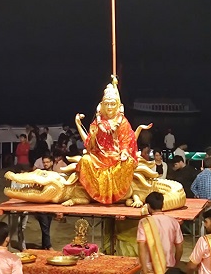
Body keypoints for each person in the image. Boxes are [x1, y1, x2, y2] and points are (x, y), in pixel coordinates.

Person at [75, 76, 138, 204]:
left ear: (117, 105)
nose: (109, 107)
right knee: (85, 160)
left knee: (128, 163)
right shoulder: (98, 122)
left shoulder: (122, 122)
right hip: (100, 157)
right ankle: (98, 193)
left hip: (116, 156)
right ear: (102, 105)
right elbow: (89, 142)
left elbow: (126, 139)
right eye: (107, 104)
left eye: (112, 104)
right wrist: (78, 124)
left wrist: (125, 152)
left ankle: (117, 194)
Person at [137, 192, 184, 274]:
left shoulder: (144, 223)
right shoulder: (173, 222)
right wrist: (175, 265)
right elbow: (179, 248)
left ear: (148, 206)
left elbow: (142, 247)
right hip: (169, 268)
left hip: (150, 269)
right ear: (162, 205)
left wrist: (144, 270)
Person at [34, 154, 55, 250]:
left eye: (47, 162)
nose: (45, 164)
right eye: (44, 162)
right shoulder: (40, 174)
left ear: (52, 162)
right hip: (41, 204)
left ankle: (44, 246)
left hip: (50, 204)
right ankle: (49, 246)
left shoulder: (55, 175)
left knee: (46, 227)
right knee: (45, 226)